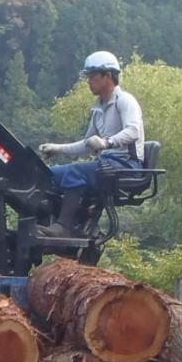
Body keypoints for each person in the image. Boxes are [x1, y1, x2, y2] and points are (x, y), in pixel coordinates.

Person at [36, 51, 144, 236]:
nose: (88, 81)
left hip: (126, 164)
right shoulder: (98, 109)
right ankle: (46, 225)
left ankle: (63, 227)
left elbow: (133, 131)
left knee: (74, 172)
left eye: (92, 76)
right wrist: (59, 149)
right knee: (48, 175)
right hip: (106, 164)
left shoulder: (125, 101)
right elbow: (88, 143)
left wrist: (107, 142)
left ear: (108, 75)